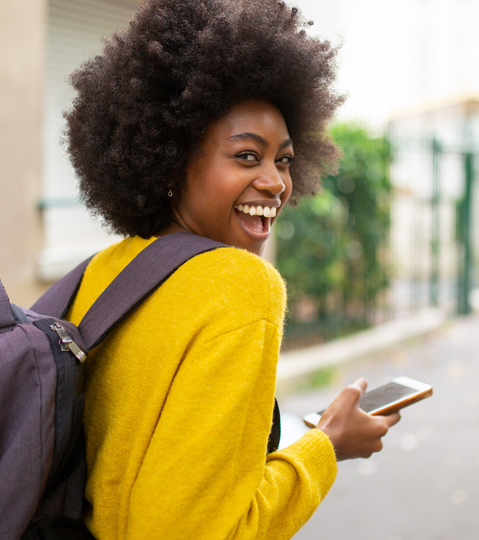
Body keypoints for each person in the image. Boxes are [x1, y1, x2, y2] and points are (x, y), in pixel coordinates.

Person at [65, 1, 400, 539]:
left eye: (284, 159)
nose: (275, 182)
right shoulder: (241, 287)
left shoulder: (105, 270)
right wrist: (328, 448)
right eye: (247, 156)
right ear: (173, 160)